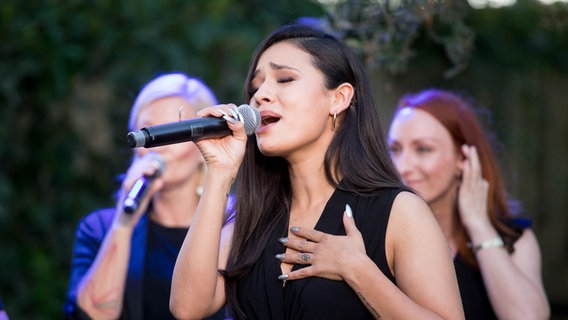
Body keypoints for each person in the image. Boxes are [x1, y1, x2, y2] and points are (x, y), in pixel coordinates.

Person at [170, 24, 464, 320]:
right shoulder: (254, 215)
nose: (260, 96)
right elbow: (187, 307)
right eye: (255, 87)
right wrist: (219, 172)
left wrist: (357, 270)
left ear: (339, 98)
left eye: (284, 79)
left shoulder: (400, 212)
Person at [64, 73, 229, 319]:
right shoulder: (100, 228)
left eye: (174, 130)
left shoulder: (235, 226)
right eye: (149, 131)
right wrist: (123, 223)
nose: (158, 144)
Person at [387, 88, 550, 319]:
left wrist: (479, 225)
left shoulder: (513, 238)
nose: (402, 166)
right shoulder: (377, 233)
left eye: (423, 149)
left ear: (463, 159)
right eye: (394, 149)